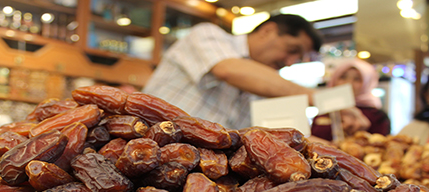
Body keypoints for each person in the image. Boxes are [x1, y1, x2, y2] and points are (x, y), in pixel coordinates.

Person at [143, 14, 368, 132]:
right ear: (267, 31)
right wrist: (328, 100)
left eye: (298, 59)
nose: (290, 63)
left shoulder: (267, 83)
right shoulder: (209, 35)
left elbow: (269, 135)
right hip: (143, 147)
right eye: (292, 51)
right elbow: (229, 70)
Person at [310, 59, 391, 141]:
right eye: (343, 77)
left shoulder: (376, 116)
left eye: (357, 79)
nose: (348, 83)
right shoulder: (324, 113)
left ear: (367, 83)